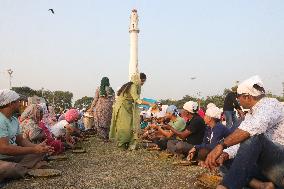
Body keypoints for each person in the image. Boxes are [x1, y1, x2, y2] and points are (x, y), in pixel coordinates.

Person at [205, 75, 284, 189]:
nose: (237, 100)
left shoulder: (270, 104)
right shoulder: (252, 114)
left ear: (247, 97)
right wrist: (226, 154)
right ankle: (262, 185)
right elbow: (243, 141)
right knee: (224, 160)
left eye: (238, 97)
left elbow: (254, 131)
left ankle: (226, 187)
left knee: (255, 138)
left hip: (279, 163)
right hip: (266, 167)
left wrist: (221, 145)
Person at [0, 89, 54, 182]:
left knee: (41, 153)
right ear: (11, 103)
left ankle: (24, 169)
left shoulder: (14, 119)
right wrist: (33, 149)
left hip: (11, 157)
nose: (20, 104)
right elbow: (4, 148)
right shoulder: (1, 120)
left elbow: (20, 140)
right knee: (10, 168)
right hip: (3, 156)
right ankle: (30, 169)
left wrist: (38, 147)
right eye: (18, 102)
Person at [109, 73, 152, 150]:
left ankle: (127, 143)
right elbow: (137, 100)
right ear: (138, 80)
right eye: (142, 81)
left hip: (126, 107)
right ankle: (122, 144)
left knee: (130, 125)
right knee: (125, 127)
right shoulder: (133, 86)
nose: (143, 83)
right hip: (122, 108)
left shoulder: (133, 86)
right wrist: (149, 103)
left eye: (144, 82)